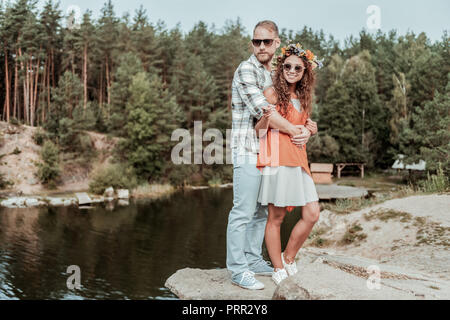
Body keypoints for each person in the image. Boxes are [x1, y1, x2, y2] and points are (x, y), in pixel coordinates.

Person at [227, 21, 313, 290]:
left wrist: (308, 129)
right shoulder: (246, 70)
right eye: (256, 42)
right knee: (242, 211)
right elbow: (264, 110)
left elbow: (292, 108)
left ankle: (253, 259)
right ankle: (238, 269)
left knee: (262, 212)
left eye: (266, 41)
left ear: (277, 43)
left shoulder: (275, 72)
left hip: (272, 152)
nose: (261, 46)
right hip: (248, 149)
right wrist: (297, 131)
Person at [255, 42, 322, 285]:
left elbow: (302, 129)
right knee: (276, 217)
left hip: (299, 161)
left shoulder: (304, 98)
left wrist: (310, 130)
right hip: (278, 160)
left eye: (298, 68)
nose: (292, 70)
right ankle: (277, 266)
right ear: (280, 67)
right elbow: (259, 132)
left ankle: (289, 257)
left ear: (305, 72)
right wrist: (264, 121)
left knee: (312, 213)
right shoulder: (271, 94)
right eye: (288, 66)